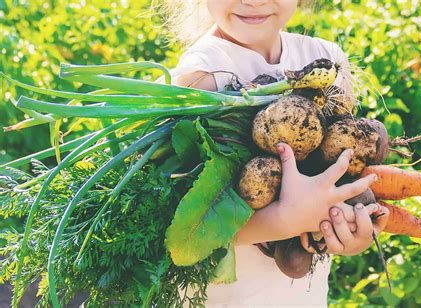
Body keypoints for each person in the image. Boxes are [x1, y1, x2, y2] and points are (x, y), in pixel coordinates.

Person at [156, 0, 390, 306]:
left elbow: (340, 167)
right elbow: (185, 228)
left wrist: (347, 227)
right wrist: (284, 221)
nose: (253, 1)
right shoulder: (202, 77)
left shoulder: (327, 61)